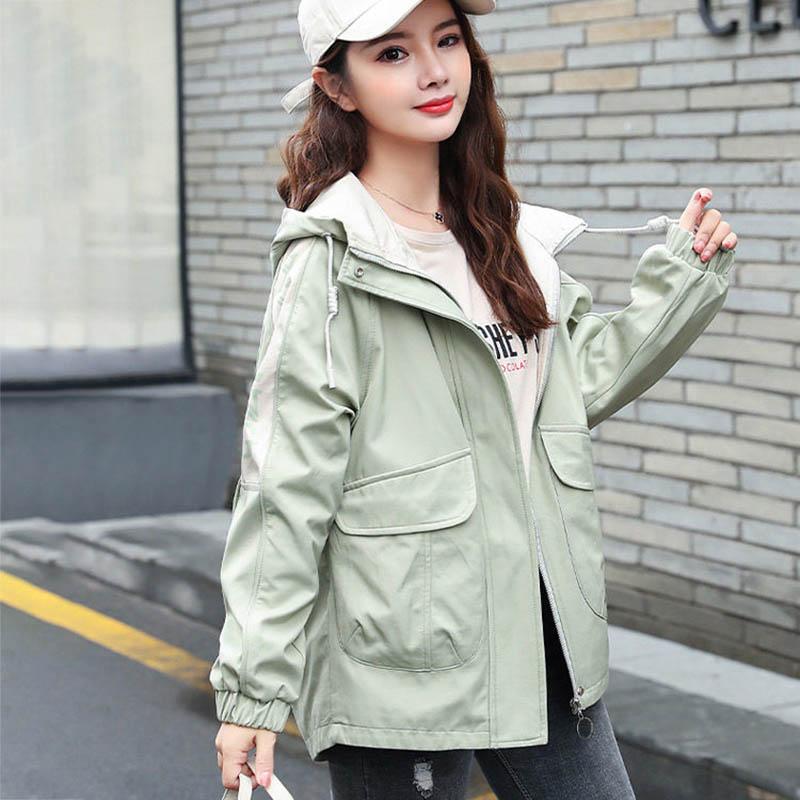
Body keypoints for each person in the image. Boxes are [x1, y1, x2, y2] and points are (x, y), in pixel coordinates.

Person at [211, 0, 739, 797]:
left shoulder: (502, 233)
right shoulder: (332, 258)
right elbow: (286, 482)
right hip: (402, 659)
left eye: (448, 39)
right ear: (337, 86)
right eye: (393, 53)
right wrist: (253, 690)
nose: (434, 71)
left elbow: (570, 390)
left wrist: (684, 281)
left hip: (542, 635)